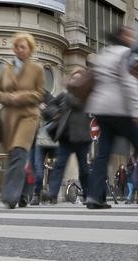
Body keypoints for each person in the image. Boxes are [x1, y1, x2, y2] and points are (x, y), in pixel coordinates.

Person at [85, 26, 138, 210]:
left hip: (101, 109)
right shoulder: (126, 54)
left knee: (102, 154)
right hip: (120, 110)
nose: (133, 37)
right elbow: (131, 83)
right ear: (123, 37)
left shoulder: (104, 53)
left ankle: (95, 197)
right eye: (130, 34)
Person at [0, 32, 45, 209]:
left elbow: (40, 94)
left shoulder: (37, 69)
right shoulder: (5, 69)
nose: (19, 50)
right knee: (17, 157)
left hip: (28, 116)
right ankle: (24, 194)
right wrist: (8, 98)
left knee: (18, 152)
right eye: (17, 46)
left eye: (23, 47)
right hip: (9, 118)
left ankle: (10, 197)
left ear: (30, 49)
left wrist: (22, 96)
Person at [43, 72, 92, 204]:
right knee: (59, 166)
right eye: (73, 79)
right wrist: (55, 113)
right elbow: (50, 104)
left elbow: (76, 104)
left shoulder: (85, 96)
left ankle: (88, 194)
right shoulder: (63, 96)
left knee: (84, 169)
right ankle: (52, 194)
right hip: (66, 137)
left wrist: (70, 87)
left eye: (78, 80)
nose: (75, 82)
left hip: (82, 138)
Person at [30, 90, 57, 206]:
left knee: (39, 168)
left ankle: (36, 195)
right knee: (33, 168)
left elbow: (56, 113)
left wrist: (43, 109)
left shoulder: (45, 94)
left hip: (44, 140)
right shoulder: (26, 95)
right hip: (31, 139)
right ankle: (36, 193)